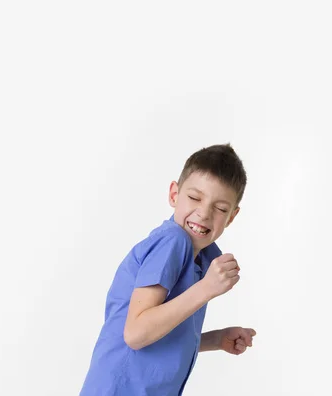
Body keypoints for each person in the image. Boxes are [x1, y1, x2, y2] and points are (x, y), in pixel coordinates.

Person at [79, 143, 256, 396]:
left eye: (220, 209)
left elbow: (158, 335)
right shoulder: (173, 241)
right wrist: (206, 289)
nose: (204, 213)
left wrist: (215, 340)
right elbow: (136, 334)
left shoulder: (203, 258)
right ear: (174, 194)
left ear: (232, 216)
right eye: (195, 198)